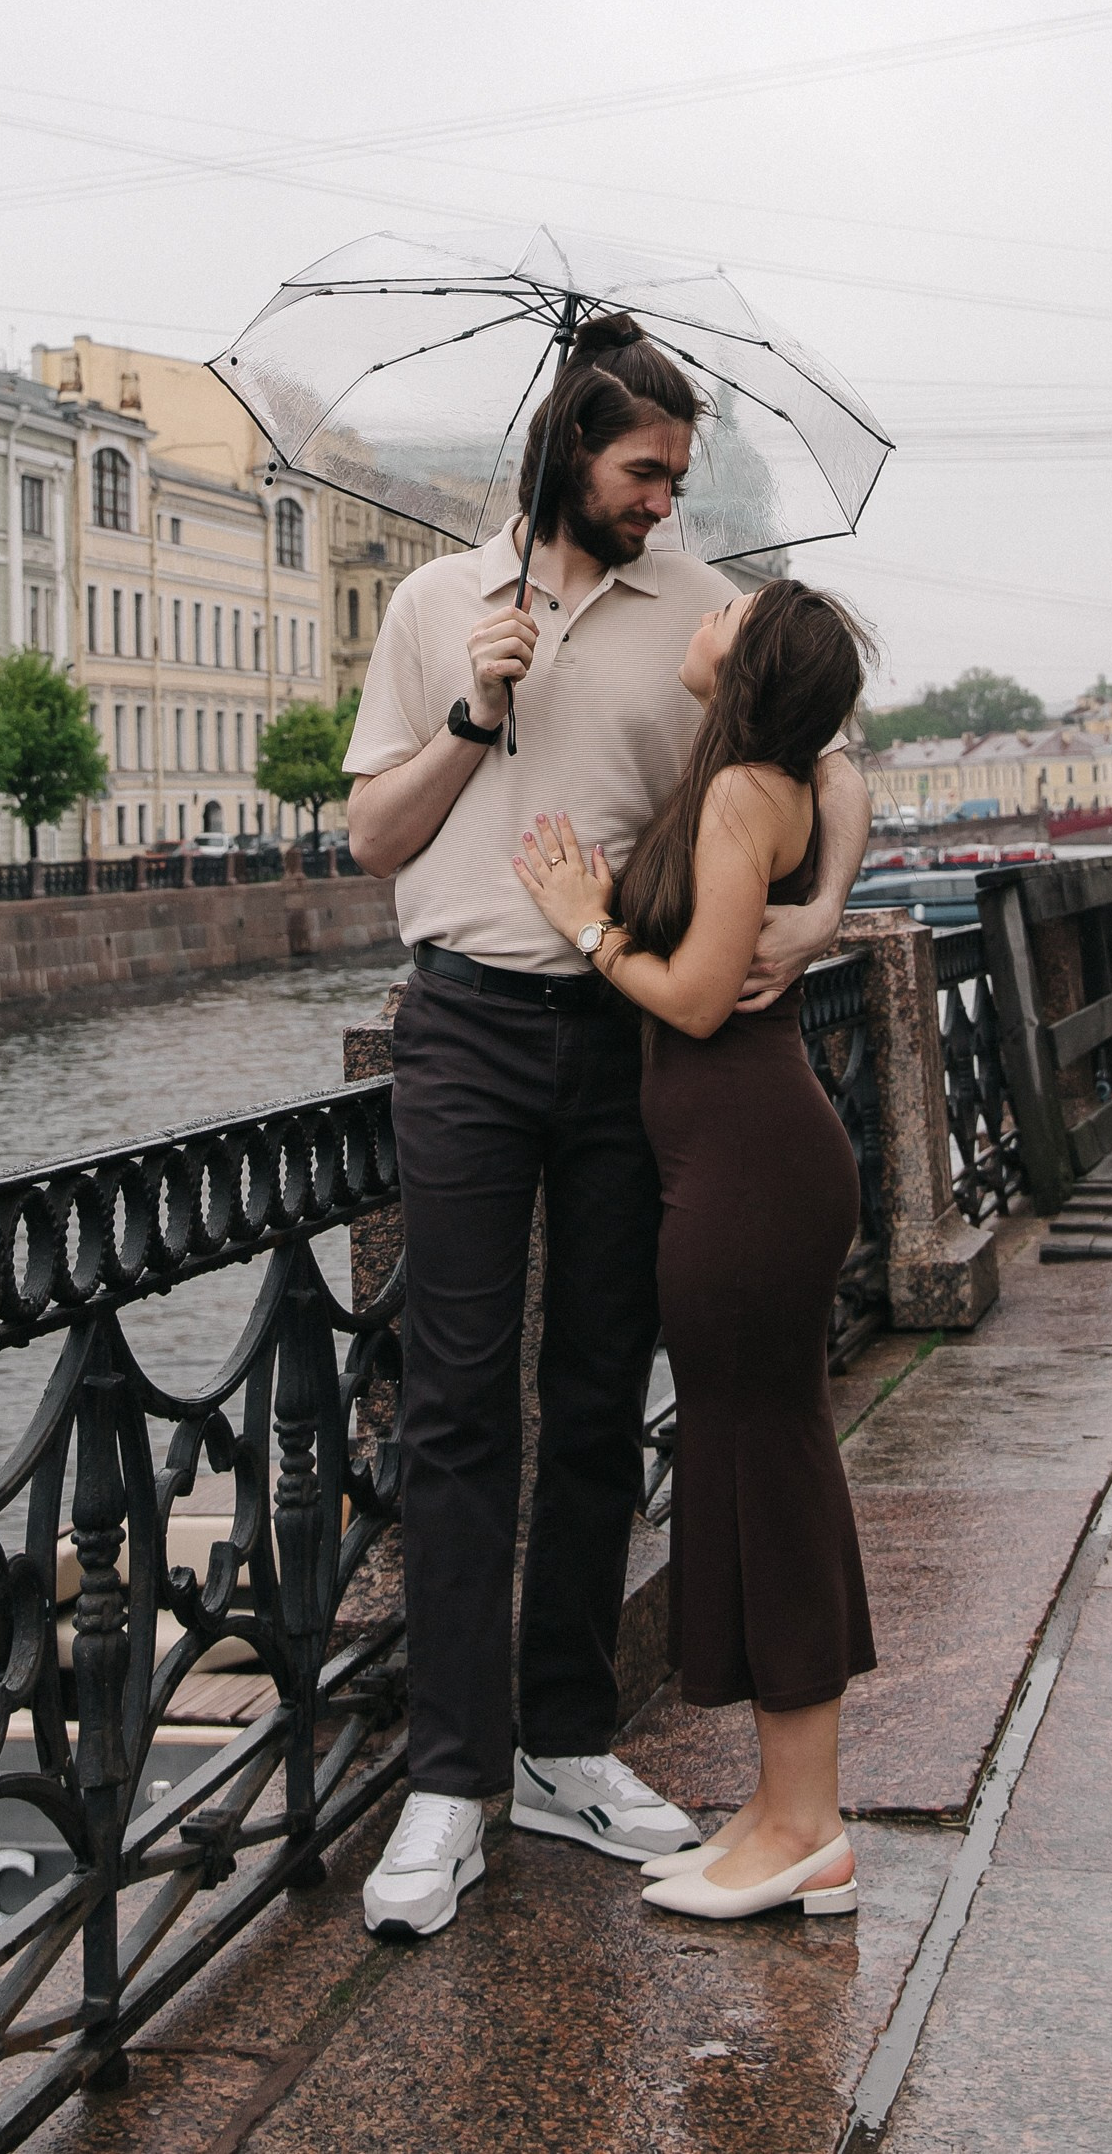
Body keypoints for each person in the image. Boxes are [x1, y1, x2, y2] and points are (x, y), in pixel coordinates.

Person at [344, 318, 869, 1940]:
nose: (663, 498)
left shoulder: (706, 608)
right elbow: (372, 837)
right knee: (451, 1405)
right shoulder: (437, 606)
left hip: (632, 1041)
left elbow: (837, 768)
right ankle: (449, 1780)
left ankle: (565, 1742)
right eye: (643, 472)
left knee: (593, 1398)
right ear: (569, 453)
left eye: (676, 476)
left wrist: (820, 913)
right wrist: (472, 716)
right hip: (467, 1031)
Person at [512, 579, 875, 1924]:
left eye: (730, 611)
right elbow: (845, 778)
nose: (701, 613)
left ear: (754, 658)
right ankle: (782, 1815)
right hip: (735, 1167)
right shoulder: (754, 776)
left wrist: (584, 922)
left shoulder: (738, 796)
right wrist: (823, 898)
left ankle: (804, 1827)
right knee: (750, 1463)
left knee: (764, 1471)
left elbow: (696, 996)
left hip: (748, 1171)